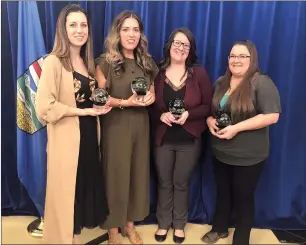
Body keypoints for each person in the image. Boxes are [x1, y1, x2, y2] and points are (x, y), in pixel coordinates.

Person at [36, 4, 110, 244]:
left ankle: (75, 237)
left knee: (81, 191)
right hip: (67, 140)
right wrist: (80, 111)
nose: (79, 30)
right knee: (67, 193)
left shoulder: (86, 63)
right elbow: (44, 107)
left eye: (83, 25)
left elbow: (89, 101)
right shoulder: (53, 62)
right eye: (73, 25)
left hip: (88, 137)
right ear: (63, 29)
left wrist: (97, 108)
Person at [201, 40, 281, 245]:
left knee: (243, 198)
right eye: (232, 56)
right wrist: (209, 120)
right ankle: (219, 228)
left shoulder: (261, 82)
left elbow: (272, 116)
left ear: (252, 59)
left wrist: (236, 128)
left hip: (248, 156)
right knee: (223, 192)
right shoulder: (220, 82)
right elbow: (213, 112)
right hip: (221, 152)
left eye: (242, 56)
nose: (236, 60)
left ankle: (241, 240)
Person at [95, 10, 159, 244]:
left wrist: (150, 97)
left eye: (135, 29)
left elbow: (151, 90)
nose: (131, 34)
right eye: (126, 29)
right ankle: (113, 229)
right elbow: (100, 97)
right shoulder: (105, 62)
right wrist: (125, 102)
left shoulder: (146, 61)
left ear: (140, 34)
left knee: (136, 175)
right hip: (116, 126)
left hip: (140, 127)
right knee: (115, 177)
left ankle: (129, 225)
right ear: (117, 33)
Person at [149, 27, 213, 243]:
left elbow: (208, 107)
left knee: (181, 182)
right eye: (177, 43)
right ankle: (163, 223)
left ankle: (179, 225)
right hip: (163, 138)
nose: (181, 48)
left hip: (189, 139)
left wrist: (189, 114)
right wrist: (161, 116)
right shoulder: (156, 73)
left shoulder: (199, 74)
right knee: (164, 181)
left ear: (190, 49)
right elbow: (148, 105)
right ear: (169, 46)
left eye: (185, 44)